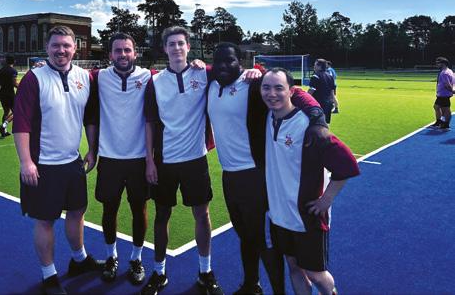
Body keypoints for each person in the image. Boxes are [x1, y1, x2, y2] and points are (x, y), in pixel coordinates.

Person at [142, 27, 260, 295]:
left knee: (202, 215)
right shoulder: (155, 81)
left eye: (180, 43)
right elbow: (150, 123)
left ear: (188, 46)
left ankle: (205, 272)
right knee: (162, 215)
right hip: (164, 161)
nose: (176, 48)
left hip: (196, 159)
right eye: (171, 44)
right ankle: (159, 272)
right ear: (165, 48)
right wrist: (149, 160)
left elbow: (232, 71)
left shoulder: (204, 73)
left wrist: (254, 71)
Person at [208, 43, 324, 295]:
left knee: (265, 242)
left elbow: (293, 92)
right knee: (245, 235)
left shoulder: (253, 85)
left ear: (240, 62)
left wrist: (316, 115)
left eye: (230, 61)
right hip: (229, 177)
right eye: (219, 61)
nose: (224, 66)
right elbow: (201, 69)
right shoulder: (212, 83)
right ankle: (251, 285)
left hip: (254, 176)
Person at [13, 26, 104, 295]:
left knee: (77, 212)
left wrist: (92, 149)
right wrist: (26, 161)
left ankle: (79, 260)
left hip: (73, 162)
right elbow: (21, 123)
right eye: (56, 45)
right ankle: (49, 276)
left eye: (66, 45)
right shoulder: (34, 78)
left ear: (75, 48)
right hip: (43, 165)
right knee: (45, 221)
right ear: (47, 48)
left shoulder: (85, 77)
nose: (61, 50)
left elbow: (90, 117)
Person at [260, 68, 359, 295]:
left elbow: (347, 163)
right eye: (266, 88)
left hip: (307, 216)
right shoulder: (267, 117)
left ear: (291, 91)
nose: (272, 94)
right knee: (294, 267)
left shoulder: (308, 126)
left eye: (279, 88)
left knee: (316, 274)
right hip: (279, 214)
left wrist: (326, 200)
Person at [83, 32, 153, 285]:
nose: (123, 54)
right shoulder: (99, 77)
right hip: (109, 158)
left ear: (135, 52)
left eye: (127, 50)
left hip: (139, 158)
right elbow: (90, 115)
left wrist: (202, 64)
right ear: (110, 54)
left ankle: (136, 258)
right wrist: (92, 150)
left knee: (139, 209)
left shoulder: (148, 77)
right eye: (118, 50)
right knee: (109, 209)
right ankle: (111, 256)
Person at [308, 59, 336, 124]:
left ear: (319, 66)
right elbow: (332, 91)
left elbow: (311, 91)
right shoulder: (330, 76)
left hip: (318, 104)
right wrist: (332, 102)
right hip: (328, 104)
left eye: (315, 65)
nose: (314, 67)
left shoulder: (315, 76)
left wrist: (304, 99)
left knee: (316, 124)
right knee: (326, 124)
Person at [0, 56, 18, 137]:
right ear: (14, 61)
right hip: (10, 94)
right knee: (17, 112)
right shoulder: (13, 71)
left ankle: (4, 131)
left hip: (2, 94)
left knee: (6, 112)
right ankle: (4, 125)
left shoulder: (0, 71)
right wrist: (23, 88)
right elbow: (14, 83)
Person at [431, 56, 455, 130]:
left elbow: (447, 84)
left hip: (444, 94)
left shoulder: (444, 73)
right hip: (442, 94)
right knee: (436, 107)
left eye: (438, 63)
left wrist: (452, 91)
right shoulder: (449, 71)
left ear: (443, 63)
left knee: (446, 109)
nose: (437, 64)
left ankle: (446, 124)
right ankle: (439, 121)